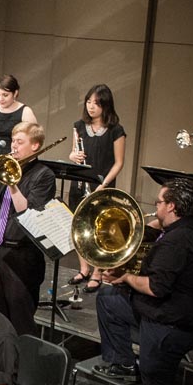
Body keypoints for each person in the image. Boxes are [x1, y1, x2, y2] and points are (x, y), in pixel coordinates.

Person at [93, 178, 193, 385]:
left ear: (171, 206)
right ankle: (124, 362)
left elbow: (156, 287)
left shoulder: (176, 241)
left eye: (159, 202)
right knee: (108, 297)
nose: (155, 207)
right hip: (178, 316)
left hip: (168, 327)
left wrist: (125, 277)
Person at [0, 122, 55, 335]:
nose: (14, 147)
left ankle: (24, 365)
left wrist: (11, 182)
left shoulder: (43, 175)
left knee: (21, 318)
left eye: (20, 142)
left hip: (22, 256)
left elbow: (27, 213)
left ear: (35, 146)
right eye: (13, 141)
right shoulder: (3, 167)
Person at [67, 84, 127, 293]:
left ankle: (97, 272)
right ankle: (83, 269)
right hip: (80, 184)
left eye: (96, 103)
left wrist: (103, 185)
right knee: (79, 228)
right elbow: (74, 153)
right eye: (89, 102)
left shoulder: (116, 130)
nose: (91, 107)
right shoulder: (79, 126)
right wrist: (72, 156)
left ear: (106, 105)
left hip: (102, 185)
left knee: (98, 230)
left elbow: (119, 162)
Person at [0, 75, 38, 157]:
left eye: (5, 95)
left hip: (16, 159)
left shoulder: (26, 112)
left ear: (15, 93)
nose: (0, 99)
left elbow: (33, 143)